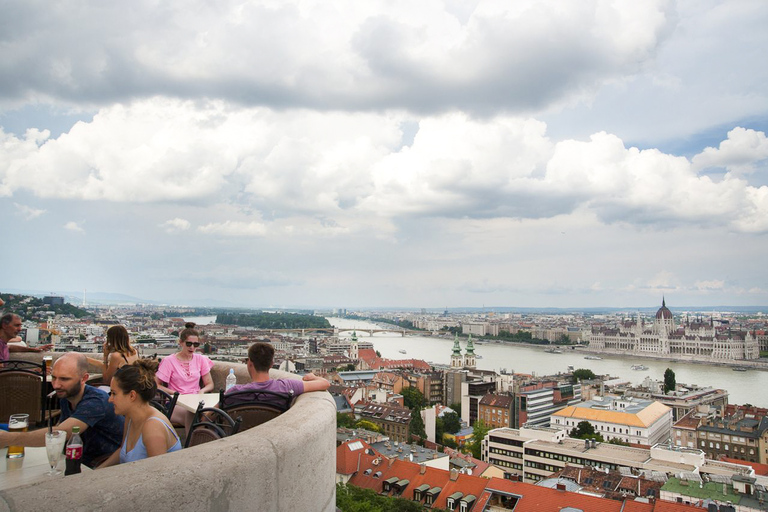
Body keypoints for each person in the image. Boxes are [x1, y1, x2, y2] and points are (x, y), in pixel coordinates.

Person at [0, 353, 124, 467]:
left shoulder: (95, 402)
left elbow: (63, 432)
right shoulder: (67, 395)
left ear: (84, 378)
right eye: (54, 378)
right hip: (80, 460)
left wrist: (9, 438)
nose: (56, 385)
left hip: (101, 464)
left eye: (64, 379)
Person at [97, 360, 181, 467]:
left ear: (132, 395)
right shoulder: (130, 417)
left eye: (114, 393)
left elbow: (158, 475)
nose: (110, 399)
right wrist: (98, 470)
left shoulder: (152, 428)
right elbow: (122, 451)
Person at [224, 342, 329, 405]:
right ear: (271, 364)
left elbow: (210, 415)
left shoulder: (235, 392)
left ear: (250, 363)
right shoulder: (287, 386)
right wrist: (313, 376)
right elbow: (325, 383)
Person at [155, 323, 214, 430]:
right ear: (181, 343)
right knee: (192, 414)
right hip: (175, 403)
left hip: (196, 401)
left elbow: (209, 384)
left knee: (207, 414)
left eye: (195, 345)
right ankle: (192, 443)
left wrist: (202, 391)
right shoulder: (169, 361)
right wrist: (175, 393)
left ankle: (198, 441)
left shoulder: (201, 359)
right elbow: (156, 385)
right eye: (189, 344)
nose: (192, 347)